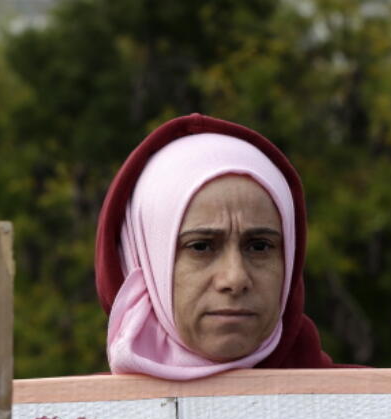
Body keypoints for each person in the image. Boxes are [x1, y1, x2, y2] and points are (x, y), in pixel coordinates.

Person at [97, 114, 336, 378]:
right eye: (200, 246)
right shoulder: (76, 417)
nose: (235, 279)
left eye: (259, 247)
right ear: (143, 259)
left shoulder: (371, 410)